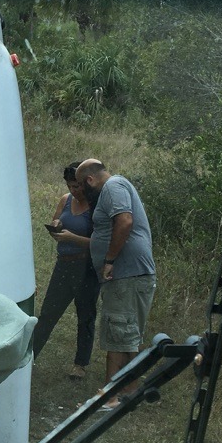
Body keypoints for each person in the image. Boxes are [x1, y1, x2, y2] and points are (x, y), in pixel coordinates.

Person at [75, 159, 156, 408]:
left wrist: (109, 259)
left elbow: (125, 222)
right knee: (127, 335)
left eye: (80, 185)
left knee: (119, 335)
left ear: (89, 180)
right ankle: (129, 393)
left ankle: (110, 397)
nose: (79, 191)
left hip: (126, 274)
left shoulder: (113, 186)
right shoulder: (115, 188)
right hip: (129, 276)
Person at [31, 162, 100, 380]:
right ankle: (29, 356)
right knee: (48, 312)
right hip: (64, 263)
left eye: (78, 186)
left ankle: (80, 364)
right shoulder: (65, 200)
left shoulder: (97, 205)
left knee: (85, 314)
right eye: (71, 186)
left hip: (86, 266)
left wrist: (72, 238)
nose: (74, 191)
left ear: (87, 183)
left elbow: (100, 243)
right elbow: (56, 220)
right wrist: (56, 225)